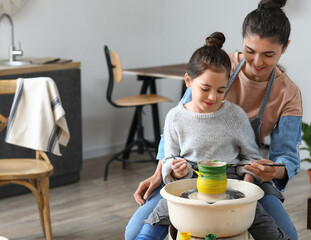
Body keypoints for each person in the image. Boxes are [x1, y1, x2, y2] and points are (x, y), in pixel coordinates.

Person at [126, 0, 302, 239]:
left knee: (288, 236)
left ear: (286, 47)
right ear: (243, 42)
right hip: (190, 173)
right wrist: (160, 174)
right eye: (250, 51)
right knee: (134, 233)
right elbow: (180, 122)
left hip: (244, 176)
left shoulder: (289, 93)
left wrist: (273, 171)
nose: (257, 62)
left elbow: (287, 156)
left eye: (269, 54)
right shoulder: (217, 65)